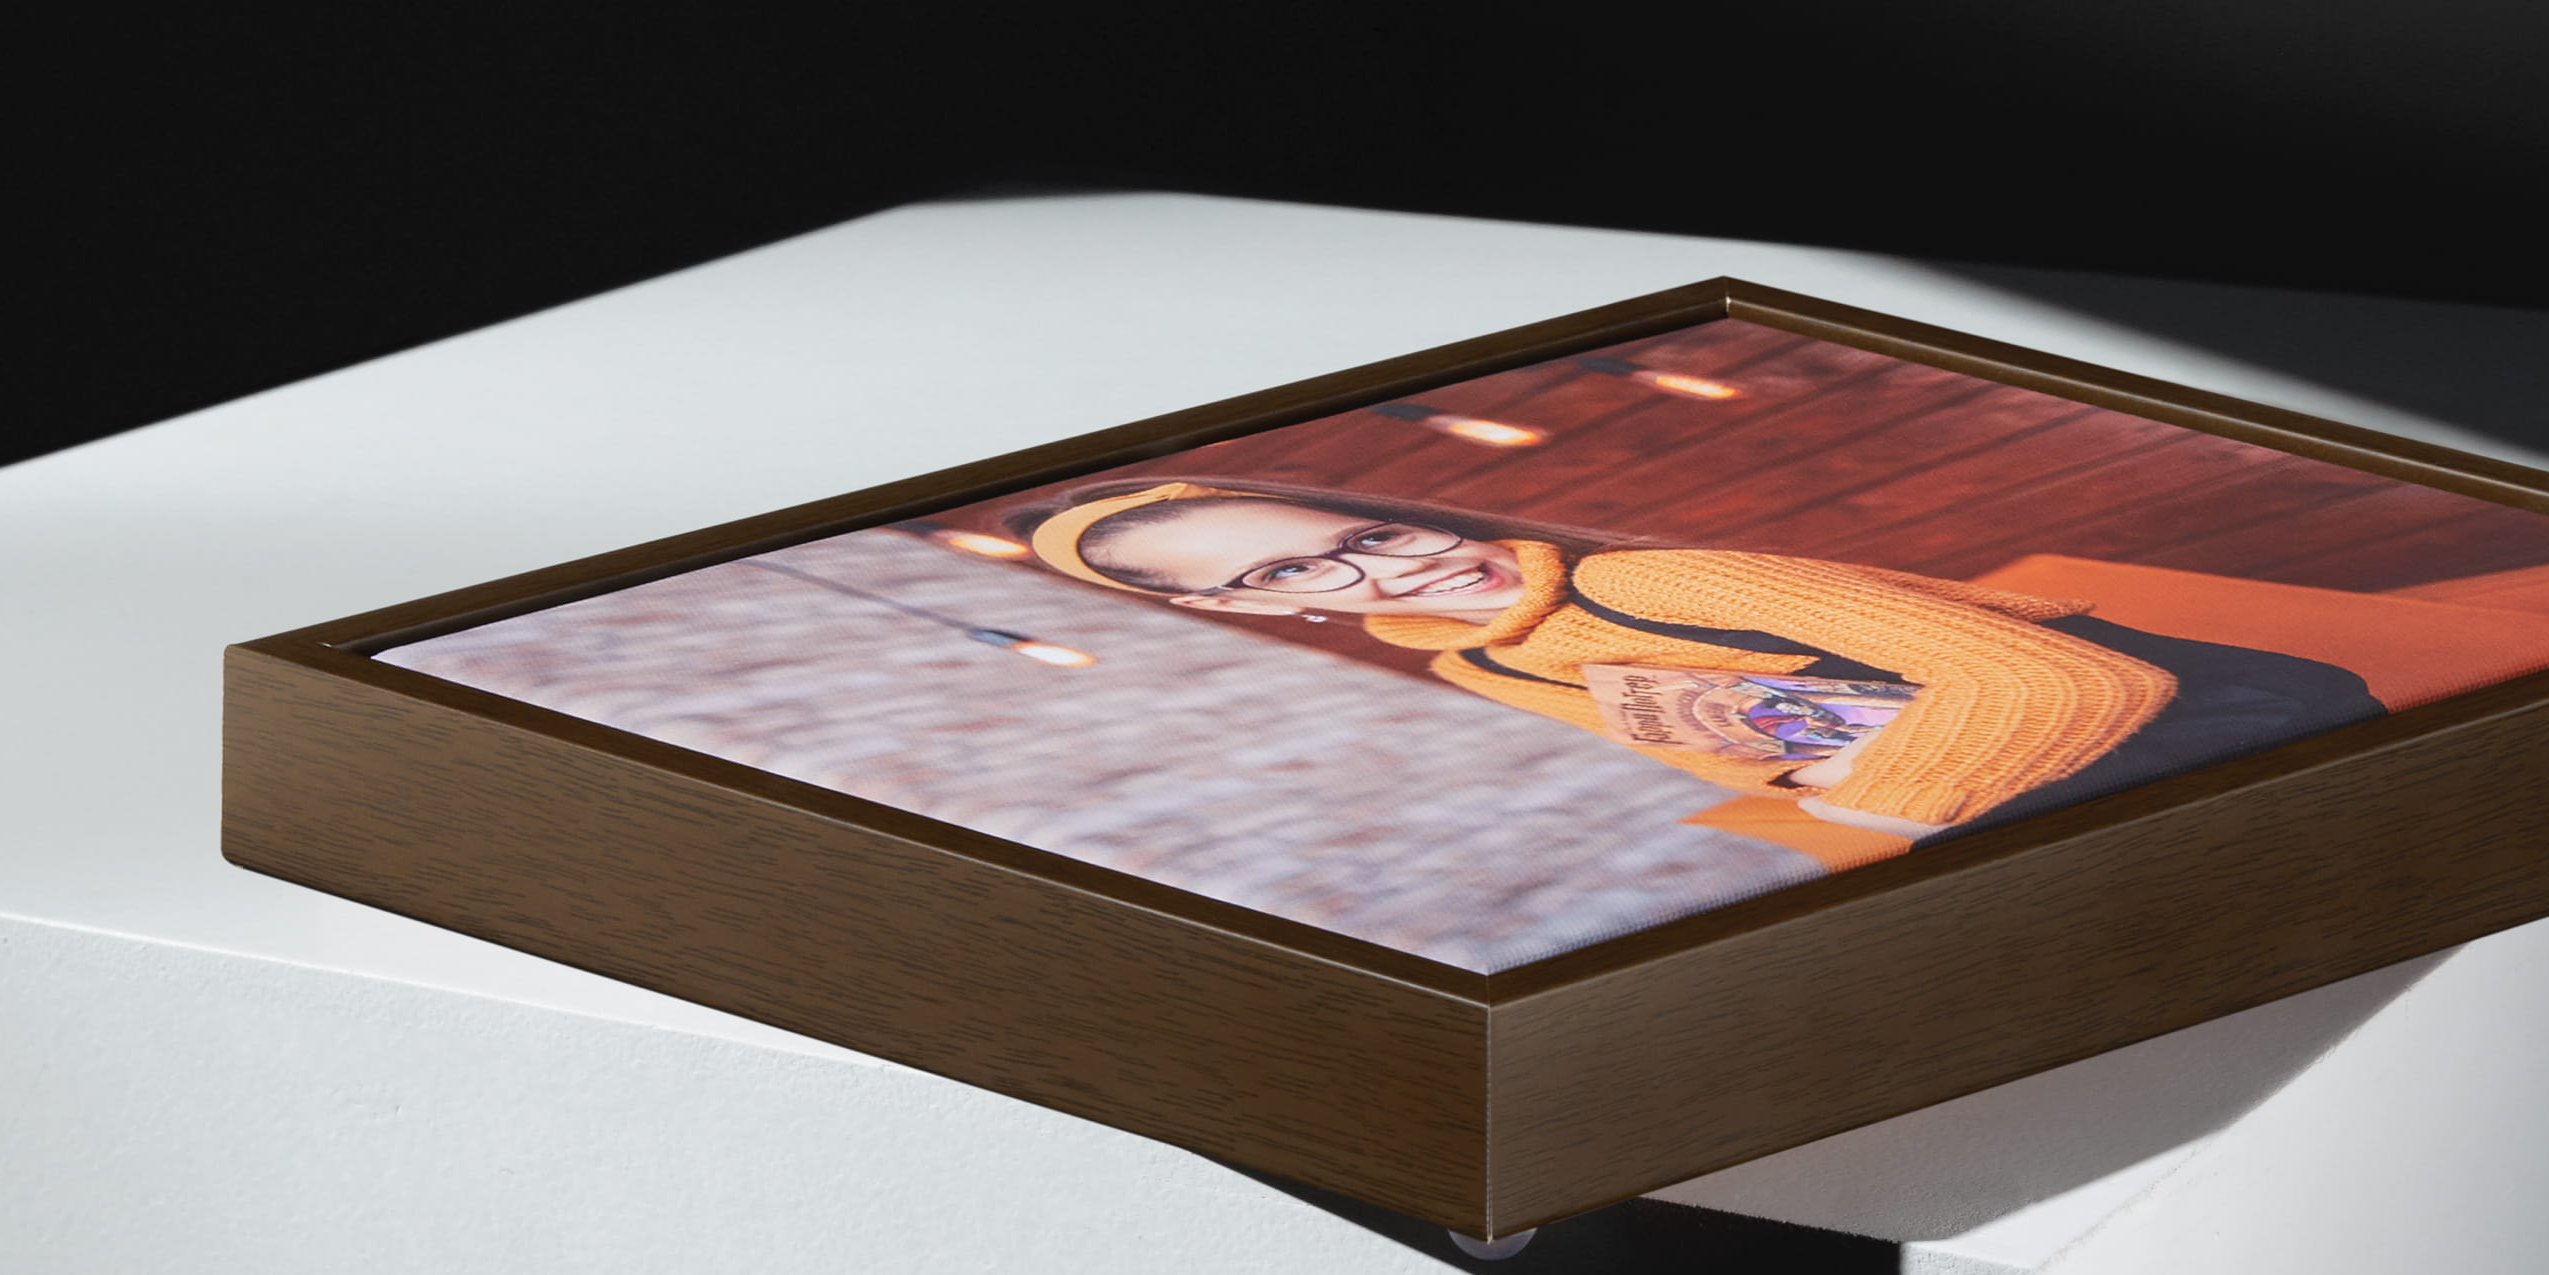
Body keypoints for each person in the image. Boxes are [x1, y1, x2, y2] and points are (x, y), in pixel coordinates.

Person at [995, 477, 2385, 844]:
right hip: (2045, 788)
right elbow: (1766, 752)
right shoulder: (1484, 671)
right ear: (1249, 612)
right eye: (1303, 572)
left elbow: (2077, 690)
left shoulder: (1653, 581)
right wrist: (1820, 772)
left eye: (1367, 528)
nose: (1400, 564)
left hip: (2249, 727)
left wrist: (1869, 794)